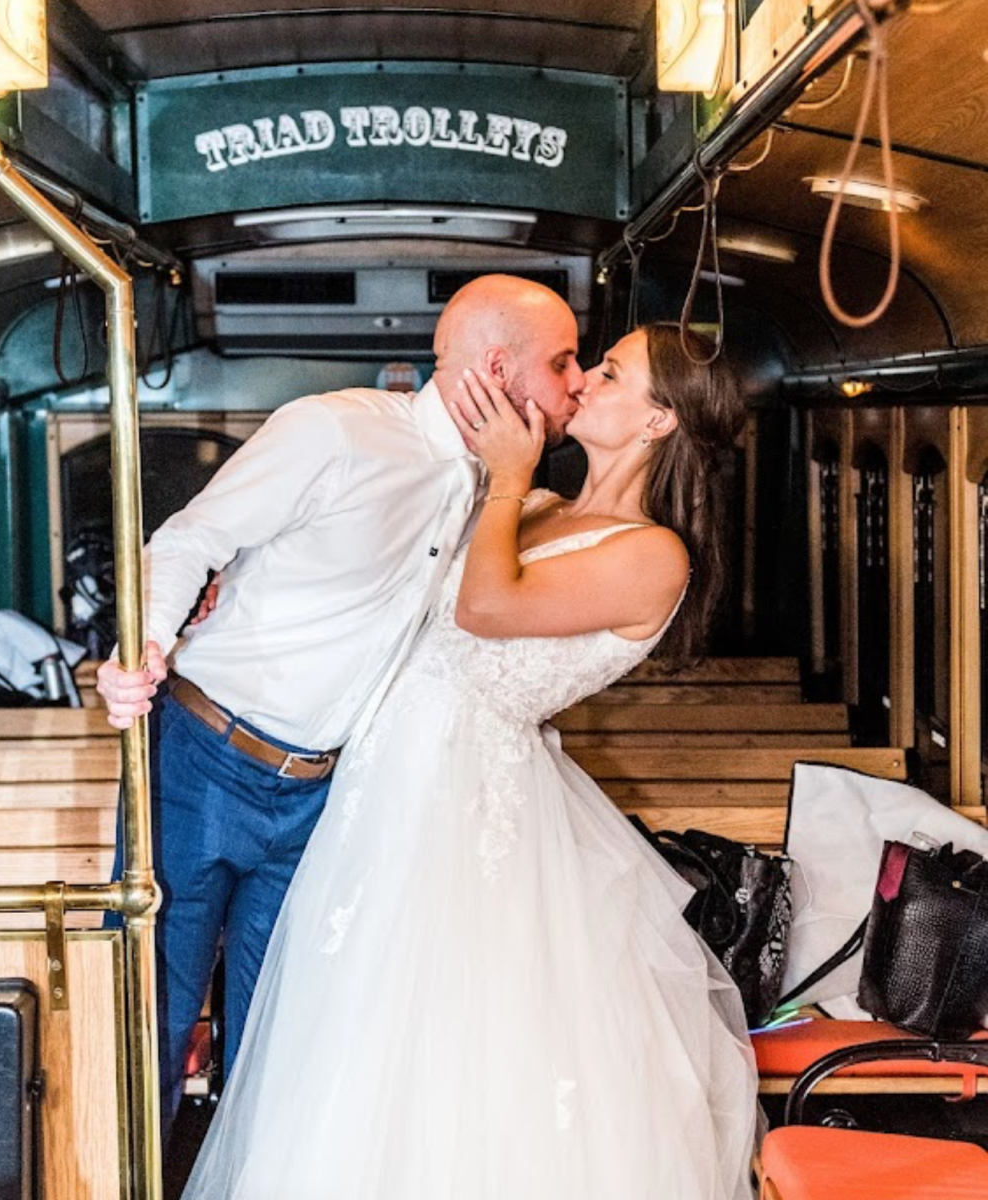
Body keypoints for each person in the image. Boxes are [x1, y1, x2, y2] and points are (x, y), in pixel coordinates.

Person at [182, 322, 758, 1200]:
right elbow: (403, 592)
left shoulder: (653, 555)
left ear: (658, 422)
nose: (585, 383)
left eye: (609, 373)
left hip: (461, 793)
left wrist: (508, 476)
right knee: (343, 1028)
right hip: (380, 774)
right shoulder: (533, 511)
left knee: (446, 1037)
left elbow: (487, 607)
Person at [96, 274, 587, 1131]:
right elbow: (189, 538)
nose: (576, 383)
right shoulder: (335, 432)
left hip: (327, 797)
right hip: (202, 762)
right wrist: (145, 643)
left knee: (279, 1043)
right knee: (149, 1024)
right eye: (564, 362)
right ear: (500, 367)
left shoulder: (500, 491)